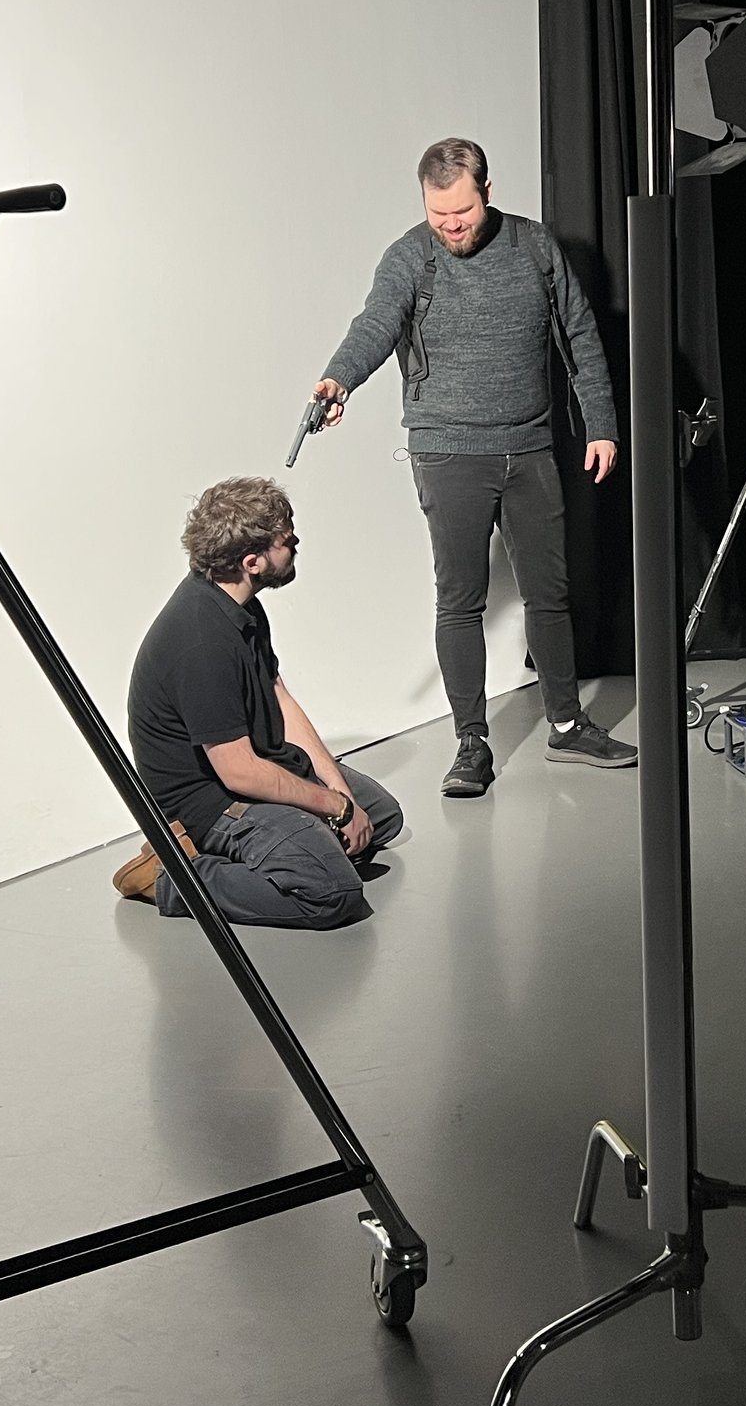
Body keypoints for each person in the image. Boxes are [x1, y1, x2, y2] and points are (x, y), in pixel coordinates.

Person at [311, 137, 637, 798]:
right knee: (461, 597)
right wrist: (339, 378)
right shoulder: (410, 256)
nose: (452, 227)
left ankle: (568, 725)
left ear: (486, 191)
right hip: (447, 449)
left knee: (550, 591)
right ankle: (471, 742)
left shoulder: (535, 247)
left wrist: (600, 423)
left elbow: (580, 331)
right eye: (439, 216)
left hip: (529, 445)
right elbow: (376, 323)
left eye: (461, 213)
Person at [118, 477, 401, 929]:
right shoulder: (201, 642)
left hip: (259, 764)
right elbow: (238, 771)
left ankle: (305, 842)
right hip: (211, 802)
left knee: (381, 817)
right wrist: (334, 809)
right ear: (252, 561)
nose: (296, 544)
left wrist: (339, 792)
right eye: (286, 541)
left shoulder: (241, 602)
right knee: (332, 894)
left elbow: (279, 698)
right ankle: (175, 877)